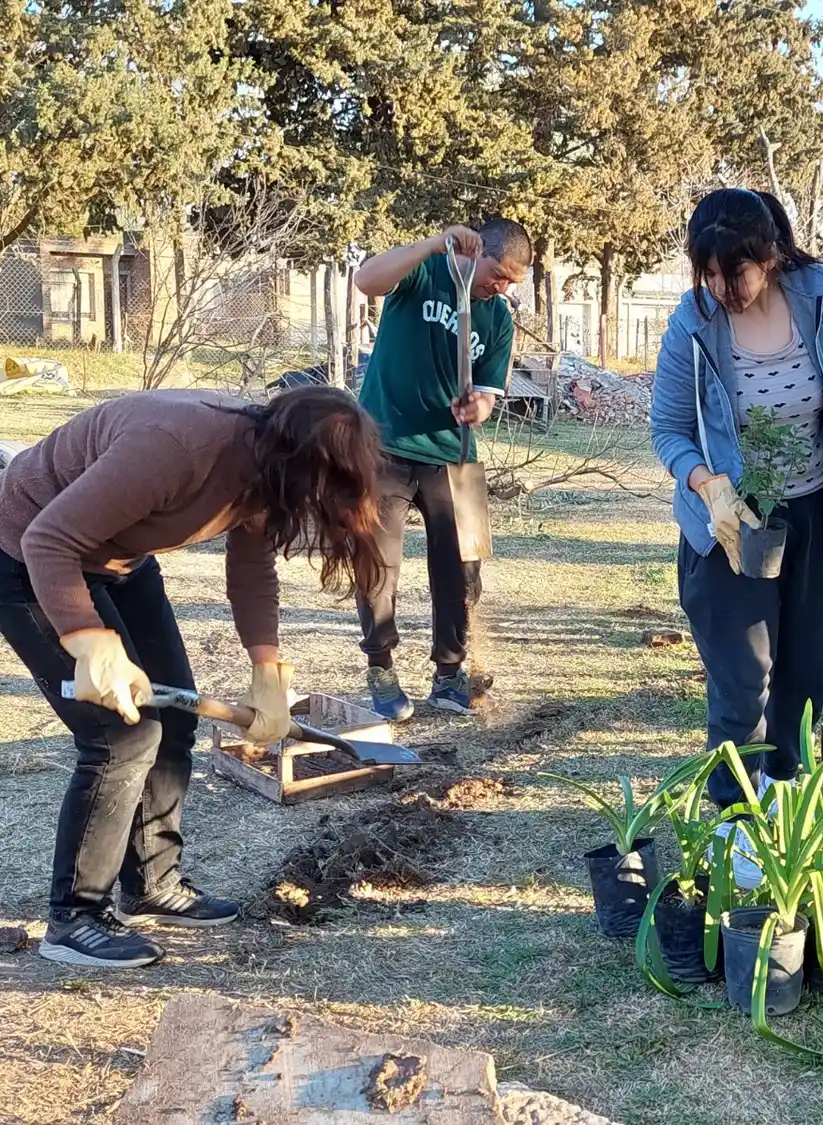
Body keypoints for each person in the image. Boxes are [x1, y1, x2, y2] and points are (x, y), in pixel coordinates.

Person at [0, 387, 384, 968]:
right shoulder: (177, 444)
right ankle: (74, 918)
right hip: (27, 556)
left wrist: (267, 672)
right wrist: (89, 641)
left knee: (174, 719)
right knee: (121, 736)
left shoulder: (268, 470)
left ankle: (152, 883)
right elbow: (48, 539)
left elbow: (252, 568)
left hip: (117, 560)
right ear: (293, 461)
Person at [649, 188, 823, 849]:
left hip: (814, 511)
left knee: (808, 671)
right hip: (731, 521)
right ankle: (737, 825)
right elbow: (669, 429)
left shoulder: (821, 298)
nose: (720, 287)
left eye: (734, 272)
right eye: (708, 273)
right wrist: (707, 485)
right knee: (743, 681)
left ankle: (786, 803)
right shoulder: (690, 325)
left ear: (770, 257)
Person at [352, 218, 532, 719]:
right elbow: (366, 280)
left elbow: (491, 395)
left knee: (463, 572)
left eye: (513, 283)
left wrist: (480, 408)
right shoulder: (423, 273)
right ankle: (381, 668)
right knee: (377, 566)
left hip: (457, 455)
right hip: (383, 446)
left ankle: (449, 674)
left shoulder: (497, 317)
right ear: (474, 251)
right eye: (498, 274)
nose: (502, 288)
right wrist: (433, 243)